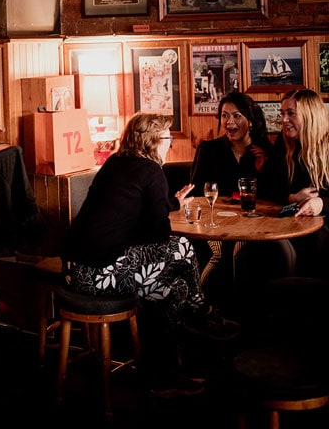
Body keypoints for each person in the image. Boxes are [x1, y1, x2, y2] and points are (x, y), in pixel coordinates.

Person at [62, 111, 238, 398]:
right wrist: (166, 208)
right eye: (167, 138)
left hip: (74, 268)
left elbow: (130, 212)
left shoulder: (115, 164)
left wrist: (169, 203)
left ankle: (164, 374)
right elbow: (157, 234)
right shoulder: (152, 171)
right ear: (152, 141)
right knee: (181, 247)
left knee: (171, 288)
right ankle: (200, 311)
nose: (170, 143)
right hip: (99, 272)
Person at [190, 92, 274, 298]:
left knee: (242, 249)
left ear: (250, 121)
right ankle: (201, 306)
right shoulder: (209, 149)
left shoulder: (264, 150)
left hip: (251, 225)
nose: (229, 122)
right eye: (225, 116)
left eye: (236, 116)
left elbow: (272, 197)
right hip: (215, 224)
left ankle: (240, 310)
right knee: (218, 252)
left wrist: (263, 169)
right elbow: (196, 190)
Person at [264, 88, 329, 276]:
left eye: (291, 113)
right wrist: (290, 196)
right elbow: (265, 186)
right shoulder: (283, 144)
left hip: (321, 228)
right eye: (282, 113)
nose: (284, 120)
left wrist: (322, 203)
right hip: (287, 224)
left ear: (310, 116)